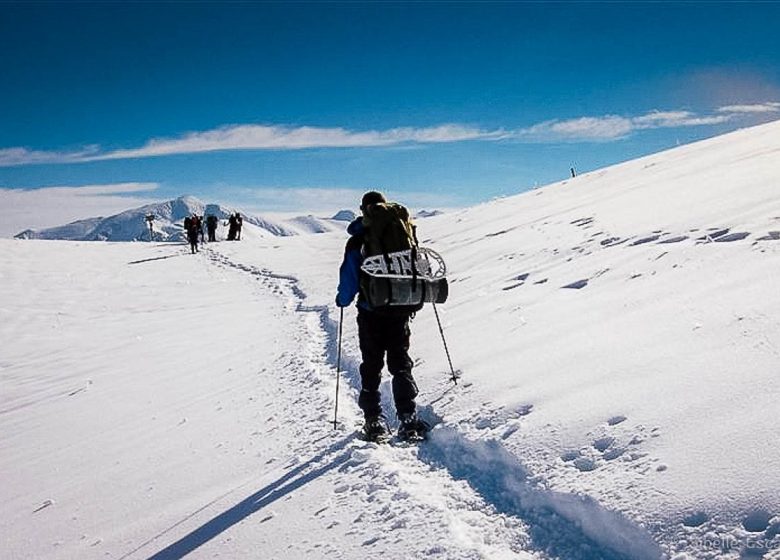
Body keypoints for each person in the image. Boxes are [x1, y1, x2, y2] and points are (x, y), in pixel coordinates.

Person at [335, 191, 428, 442]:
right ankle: (408, 417)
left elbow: (350, 278)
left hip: (371, 312)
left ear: (364, 209)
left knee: (372, 364)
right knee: (400, 363)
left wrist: (343, 300)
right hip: (400, 308)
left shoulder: (359, 239)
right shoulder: (404, 230)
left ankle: (373, 419)